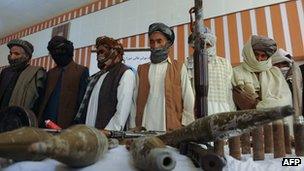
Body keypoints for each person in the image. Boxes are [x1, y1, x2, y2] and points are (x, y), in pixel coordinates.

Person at [129, 22, 195, 131]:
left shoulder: (178, 67)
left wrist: (185, 126)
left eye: (159, 41)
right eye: (152, 42)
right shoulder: (141, 69)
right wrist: (132, 125)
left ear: (168, 43)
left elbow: (189, 99)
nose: (155, 45)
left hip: (171, 128)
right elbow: (134, 101)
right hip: (144, 128)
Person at [74, 36, 135, 131]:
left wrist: (109, 131)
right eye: (98, 52)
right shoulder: (97, 76)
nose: (99, 55)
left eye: (102, 51)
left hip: (108, 136)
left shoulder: (125, 73)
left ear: (114, 52)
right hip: (91, 133)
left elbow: (123, 110)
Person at [38, 36, 89, 128]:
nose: (56, 55)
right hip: (46, 121)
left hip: (68, 123)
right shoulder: (50, 73)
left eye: (60, 51)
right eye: (53, 52)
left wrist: (77, 124)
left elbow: (82, 101)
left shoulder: (81, 71)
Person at [232, 35, 292, 110]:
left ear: (268, 57)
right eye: (256, 54)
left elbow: (285, 100)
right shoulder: (236, 72)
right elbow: (243, 101)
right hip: (248, 118)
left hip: (277, 119)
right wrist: (269, 106)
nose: (259, 59)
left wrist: (260, 105)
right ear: (249, 53)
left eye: (263, 56)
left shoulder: (275, 72)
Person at [187, 29, 235, 115]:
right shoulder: (188, 64)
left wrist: (231, 113)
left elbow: (229, 92)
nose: (204, 48)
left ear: (213, 44)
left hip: (222, 112)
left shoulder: (224, 63)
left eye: (207, 45)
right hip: (197, 112)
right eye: (200, 45)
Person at [0, 39, 46, 115]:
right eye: (11, 53)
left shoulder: (37, 73)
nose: (12, 57)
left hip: (20, 120)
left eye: (16, 54)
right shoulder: (5, 72)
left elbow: (39, 102)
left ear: (27, 56)